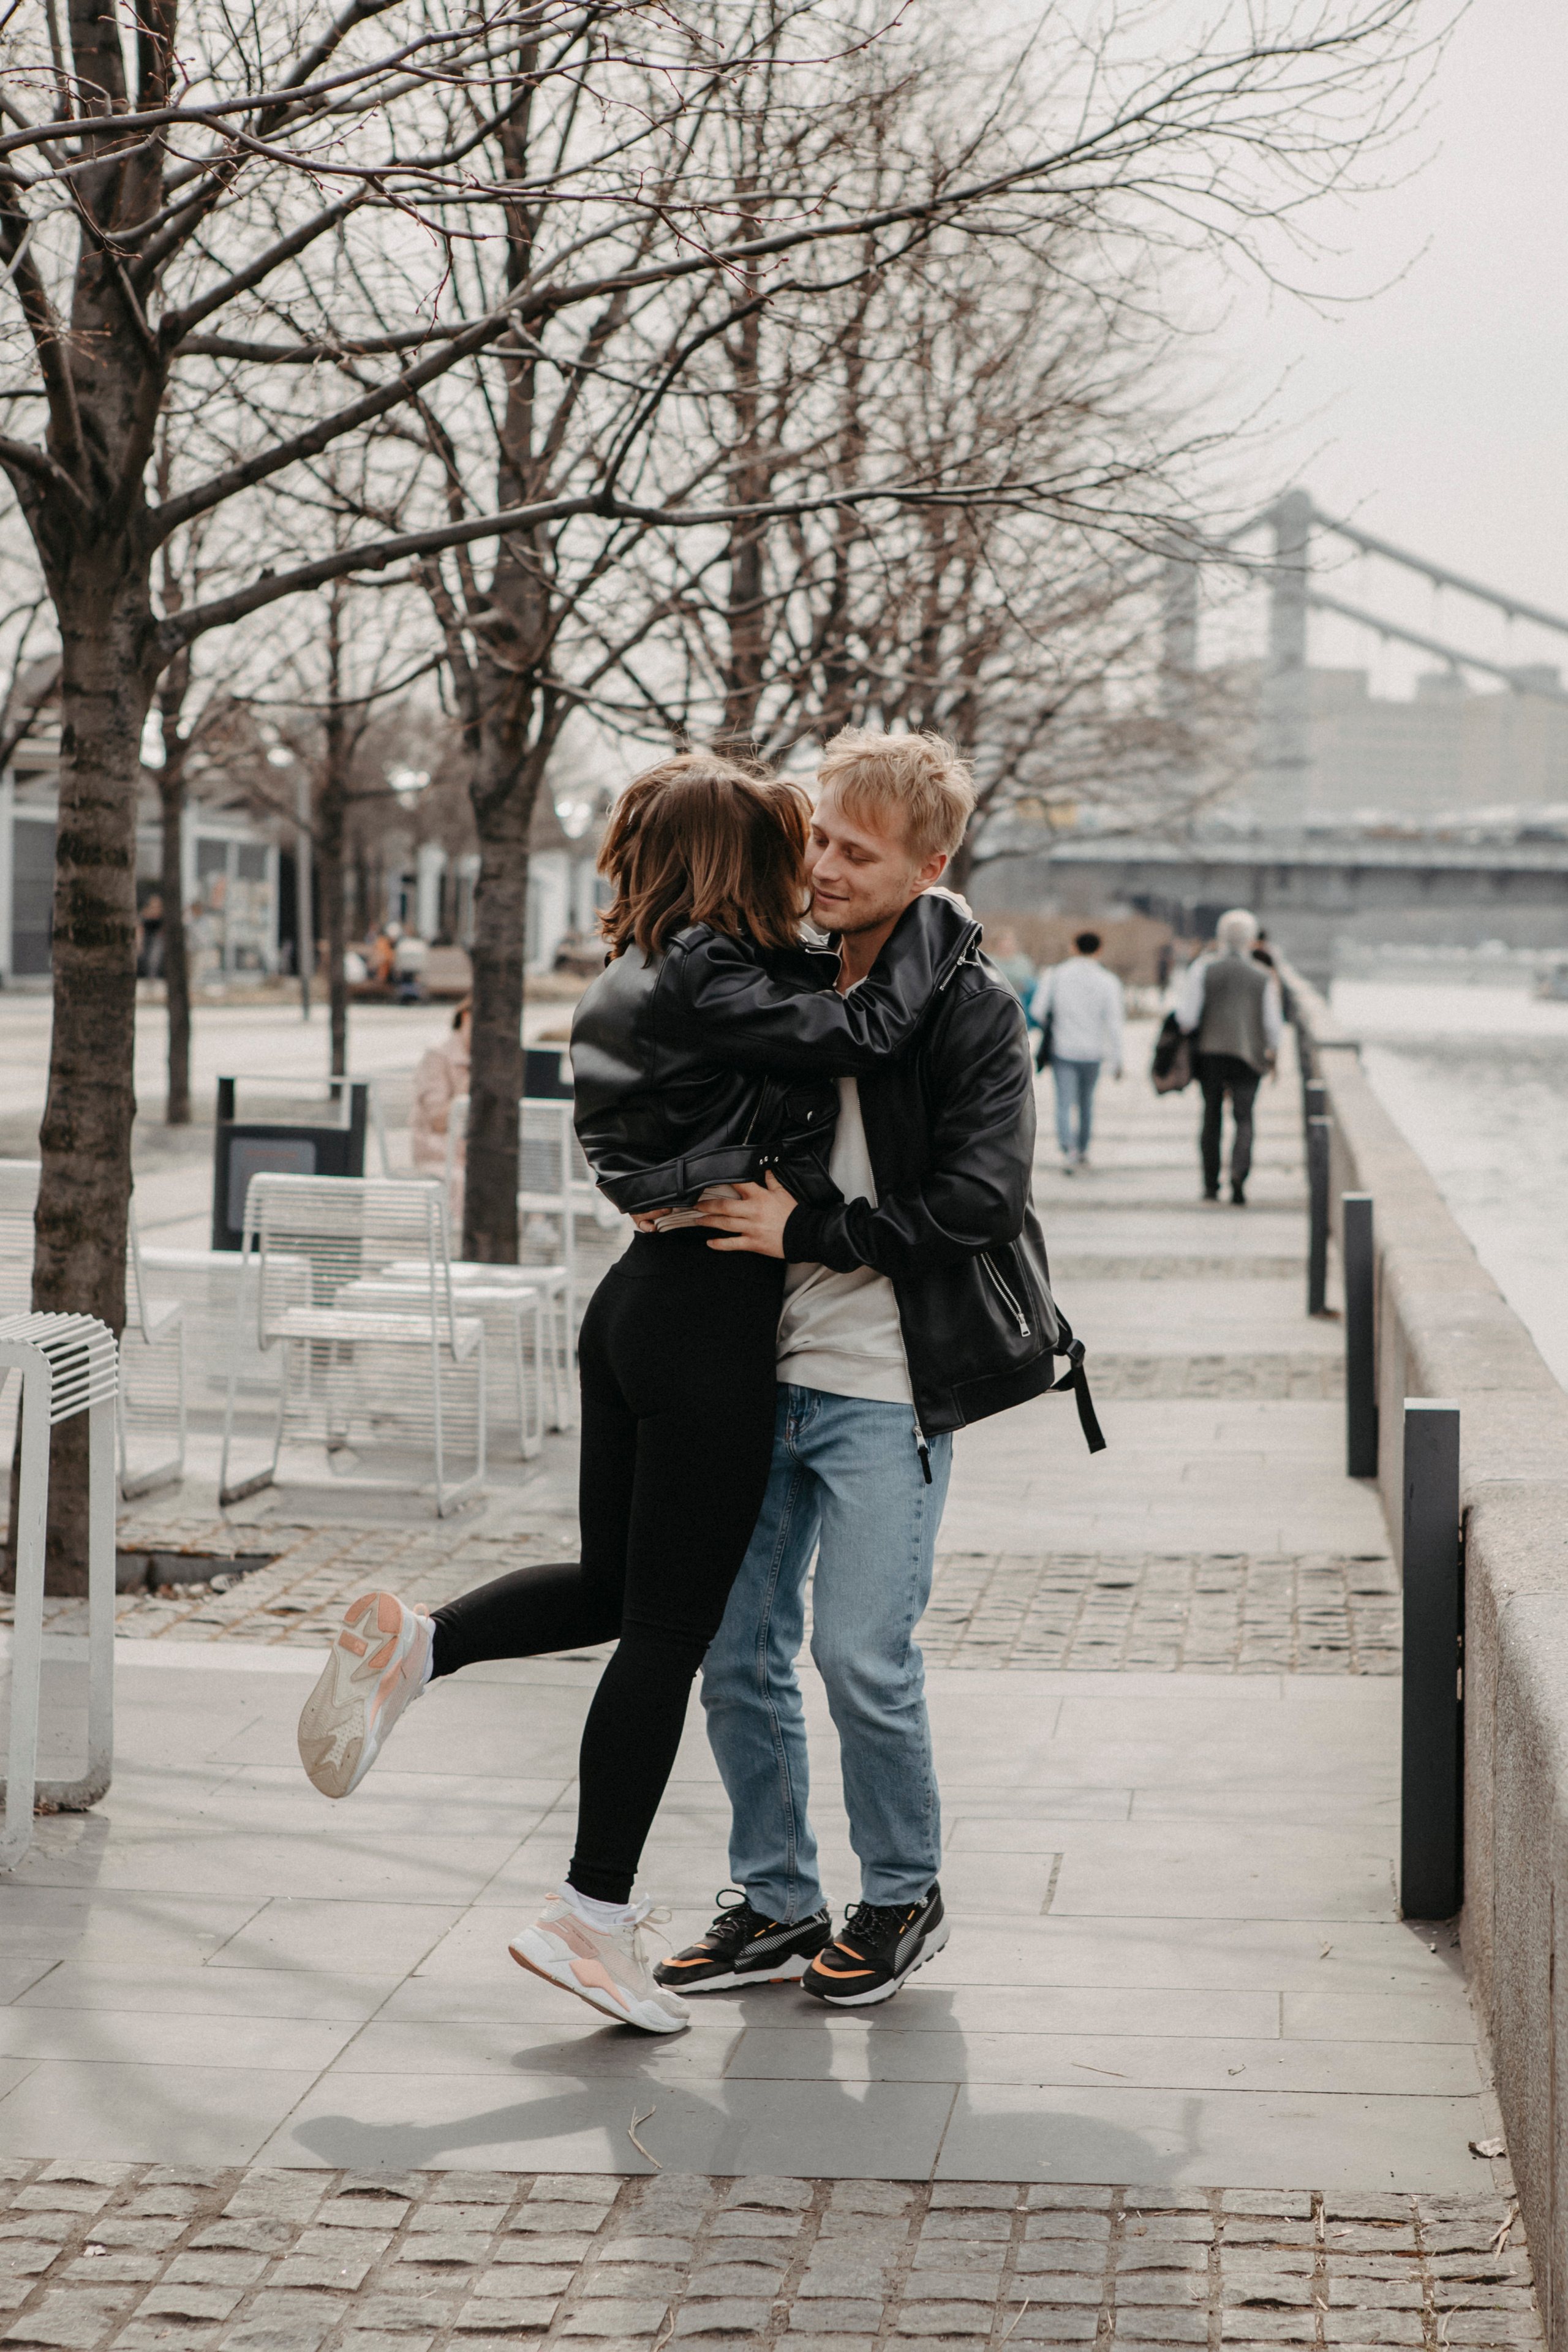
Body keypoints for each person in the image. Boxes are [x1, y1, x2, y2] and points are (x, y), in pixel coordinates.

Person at [295, 751, 970, 2034]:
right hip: (711, 1322)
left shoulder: (628, 980)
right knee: (671, 1633)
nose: (807, 869)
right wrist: (935, 913)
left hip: (630, 1306)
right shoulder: (728, 974)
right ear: (739, 862)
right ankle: (586, 1919)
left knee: (613, 1591)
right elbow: (870, 1027)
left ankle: (428, 1641)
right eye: (791, 846)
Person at [657, 728, 1090, 2012]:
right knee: (734, 1650)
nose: (827, 871)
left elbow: (977, 1199)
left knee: (858, 1656)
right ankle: (777, 1901)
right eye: (819, 844)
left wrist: (812, 1233)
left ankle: (900, 1892)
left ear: (929, 866)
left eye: (858, 853)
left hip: (884, 1386)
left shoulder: (971, 1010)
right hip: (752, 1374)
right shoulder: (779, 973)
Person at [1174, 905, 1281, 1205]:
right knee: (1244, 1118)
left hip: (1211, 1053)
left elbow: (1187, 1018)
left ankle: (1210, 1184)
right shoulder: (1263, 976)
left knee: (1211, 1117)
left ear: (1220, 937)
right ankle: (1238, 1175)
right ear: (1251, 940)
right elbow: (1273, 1026)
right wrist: (1272, 1054)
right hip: (1249, 1056)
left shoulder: (1203, 969)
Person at [1030, 930, 1125, 1173]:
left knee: (1064, 1102)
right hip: (1093, 1052)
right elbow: (1115, 1023)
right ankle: (1083, 1150)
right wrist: (1118, 1059)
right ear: (1099, 950)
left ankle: (1068, 1149)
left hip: (1063, 1049)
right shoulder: (1108, 981)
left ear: (1073, 947)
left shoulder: (1055, 975)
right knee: (1086, 1103)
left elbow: (1038, 1011)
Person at [412, 995, 471, 1219]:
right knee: (471, 1181)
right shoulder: (437, 1057)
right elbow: (438, 1120)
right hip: (440, 1153)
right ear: (466, 1018)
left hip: (473, 1152)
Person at [988, 925, 1038, 1010]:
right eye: (1005, 940)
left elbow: (1032, 984)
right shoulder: (990, 962)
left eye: (1011, 940)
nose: (1009, 944)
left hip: (1024, 1002)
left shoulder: (1024, 961)